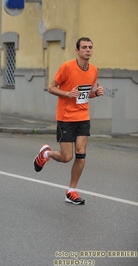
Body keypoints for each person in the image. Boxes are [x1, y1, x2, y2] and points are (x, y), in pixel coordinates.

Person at [33, 37, 104, 205]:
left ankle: (71, 191)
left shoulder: (94, 70)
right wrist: (67, 94)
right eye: (84, 47)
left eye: (90, 47)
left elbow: (86, 94)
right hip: (66, 118)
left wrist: (96, 93)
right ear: (77, 51)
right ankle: (46, 153)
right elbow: (51, 87)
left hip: (83, 117)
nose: (88, 50)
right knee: (66, 157)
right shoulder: (67, 67)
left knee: (81, 154)